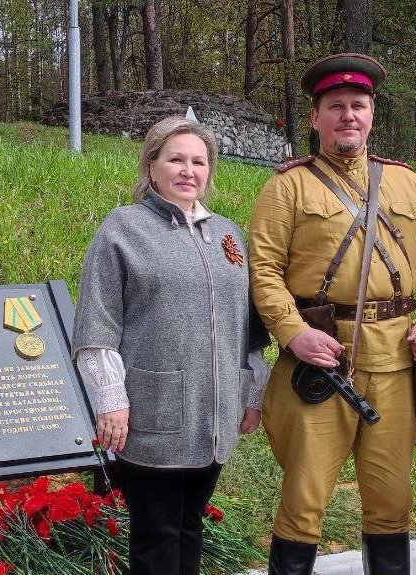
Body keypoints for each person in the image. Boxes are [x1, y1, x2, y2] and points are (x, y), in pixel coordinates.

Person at [248, 53, 416, 574]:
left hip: (397, 363)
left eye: (358, 105)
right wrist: (293, 333)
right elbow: (263, 271)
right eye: (335, 106)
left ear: (371, 115)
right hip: (319, 362)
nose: (348, 115)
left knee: (391, 503)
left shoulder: (408, 184)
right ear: (316, 118)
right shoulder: (288, 187)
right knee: (303, 501)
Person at [72, 116, 270, 575]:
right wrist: (111, 402)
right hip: (151, 415)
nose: (188, 170)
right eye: (176, 159)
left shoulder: (227, 234)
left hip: (213, 418)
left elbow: (247, 327)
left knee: (189, 528)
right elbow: (98, 323)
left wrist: (250, 394)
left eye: (198, 162)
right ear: (152, 165)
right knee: (157, 537)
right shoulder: (122, 229)